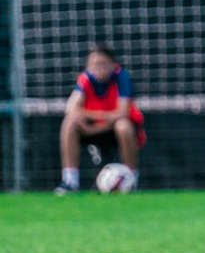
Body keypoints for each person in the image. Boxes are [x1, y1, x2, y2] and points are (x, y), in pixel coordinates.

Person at [57, 43, 144, 194]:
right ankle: (70, 181)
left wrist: (92, 127)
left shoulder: (121, 77)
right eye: (95, 64)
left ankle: (131, 179)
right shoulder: (85, 80)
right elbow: (70, 109)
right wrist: (99, 118)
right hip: (95, 127)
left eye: (103, 63)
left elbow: (122, 113)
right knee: (69, 123)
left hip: (113, 130)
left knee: (123, 125)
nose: (99, 68)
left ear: (112, 65)